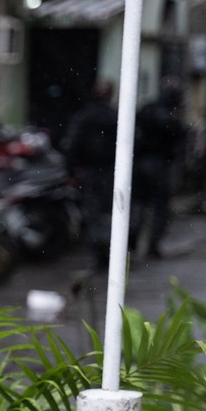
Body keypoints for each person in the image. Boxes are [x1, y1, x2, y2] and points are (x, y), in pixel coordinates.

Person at [63, 79, 118, 271]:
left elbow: (71, 145)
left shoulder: (85, 117)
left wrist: (72, 171)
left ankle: (101, 252)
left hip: (92, 173)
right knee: (110, 213)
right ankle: (107, 252)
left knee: (94, 214)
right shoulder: (115, 118)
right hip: (109, 173)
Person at [131, 78, 188, 258]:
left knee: (139, 205)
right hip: (157, 164)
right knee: (158, 207)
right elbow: (177, 135)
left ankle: (132, 243)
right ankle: (151, 245)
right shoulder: (167, 116)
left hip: (142, 163)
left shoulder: (148, 110)